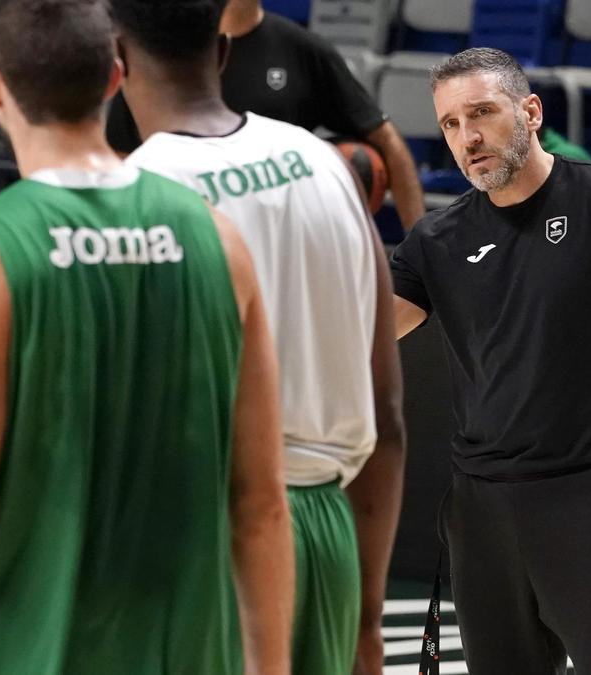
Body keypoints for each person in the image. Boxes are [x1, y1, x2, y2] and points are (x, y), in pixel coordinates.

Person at [0, 1, 293, 673]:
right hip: (182, 651)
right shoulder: (219, 237)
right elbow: (263, 502)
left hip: (22, 651)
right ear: (115, 74)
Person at [390, 48, 591, 674]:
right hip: (481, 509)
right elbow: (363, 331)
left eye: (482, 113)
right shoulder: (438, 240)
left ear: (531, 111)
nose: (469, 138)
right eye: (451, 125)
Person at [111, 2, 406, 674]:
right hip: (330, 532)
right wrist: (367, 617)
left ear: (115, 61)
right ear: (223, 50)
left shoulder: (134, 194)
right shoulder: (328, 164)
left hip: (205, 535)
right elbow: (388, 412)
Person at [105, 0, 426, 232]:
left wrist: (418, 247)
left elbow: (385, 137)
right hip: (188, 232)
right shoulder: (165, 51)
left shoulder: (304, 49)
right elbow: (120, 152)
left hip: (282, 229)